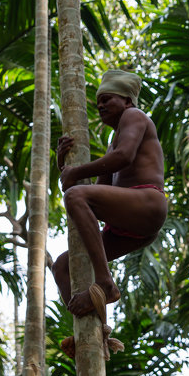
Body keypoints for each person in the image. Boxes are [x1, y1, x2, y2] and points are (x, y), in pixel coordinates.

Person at [52, 70, 167, 351]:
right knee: (61, 266)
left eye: (106, 99)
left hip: (147, 204)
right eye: (97, 102)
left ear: (127, 100)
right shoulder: (112, 141)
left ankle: (105, 283)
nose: (100, 105)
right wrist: (63, 167)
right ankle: (89, 330)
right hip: (127, 224)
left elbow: (124, 157)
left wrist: (75, 173)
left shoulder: (135, 116)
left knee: (76, 195)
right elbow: (93, 197)